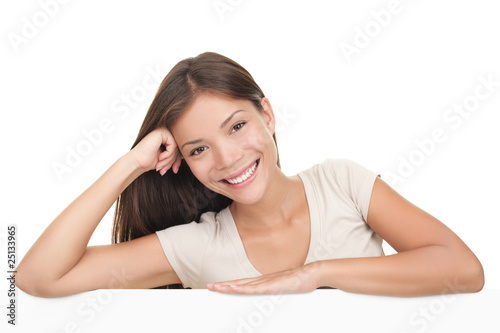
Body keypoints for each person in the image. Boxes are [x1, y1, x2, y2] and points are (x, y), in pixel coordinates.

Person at [15, 52, 484, 297]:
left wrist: (315, 275)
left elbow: (464, 269)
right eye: (198, 149)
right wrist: (131, 164)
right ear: (182, 160)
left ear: (268, 115)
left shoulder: (341, 184)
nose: (228, 158)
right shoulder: (197, 245)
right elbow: (38, 278)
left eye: (237, 126)